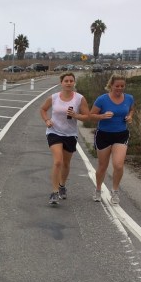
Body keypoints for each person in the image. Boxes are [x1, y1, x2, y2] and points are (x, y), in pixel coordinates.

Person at [40, 72, 90, 205]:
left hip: (70, 134)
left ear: (74, 83)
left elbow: (87, 116)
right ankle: (54, 192)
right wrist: (47, 120)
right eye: (66, 81)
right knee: (58, 161)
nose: (68, 83)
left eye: (71, 81)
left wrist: (76, 115)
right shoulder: (54, 97)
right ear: (61, 83)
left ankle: (62, 186)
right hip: (54, 132)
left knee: (66, 164)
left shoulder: (79, 99)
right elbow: (43, 109)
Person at [90, 74, 135, 204]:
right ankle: (98, 189)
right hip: (103, 135)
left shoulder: (129, 98)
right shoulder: (102, 99)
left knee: (118, 165)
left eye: (122, 86)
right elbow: (91, 115)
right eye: (117, 86)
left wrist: (130, 116)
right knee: (103, 166)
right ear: (111, 85)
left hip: (121, 134)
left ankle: (115, 191)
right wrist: (102, 116)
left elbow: (131, 110)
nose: (119, 88)